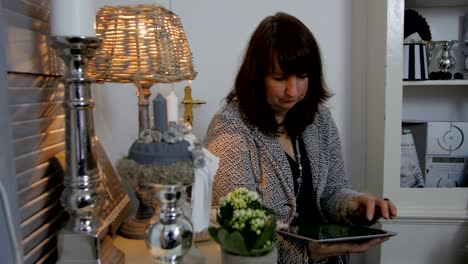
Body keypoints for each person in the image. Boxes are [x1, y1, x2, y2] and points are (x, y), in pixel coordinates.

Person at [204, 12, 397, 263]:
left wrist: (353, 206)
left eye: (302, 77)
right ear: (256, 76)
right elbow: (240, 232)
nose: (293, 91)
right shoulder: (230, 130)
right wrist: (305, 254)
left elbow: (332, 191)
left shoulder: (320, 119)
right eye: (280, 78)